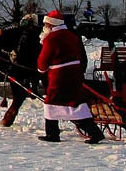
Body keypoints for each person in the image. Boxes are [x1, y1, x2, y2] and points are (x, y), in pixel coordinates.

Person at [36, 10, 104, 144]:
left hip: (58, 76)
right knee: (76, 102)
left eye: (46, 24)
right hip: (74, 74)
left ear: (51, 25)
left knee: (51, 101)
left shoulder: (51, 38)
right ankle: (94, 132)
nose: (45, 27)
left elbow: (43, 61)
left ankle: (52, 134)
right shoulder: (72, 36)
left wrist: (41, 69)